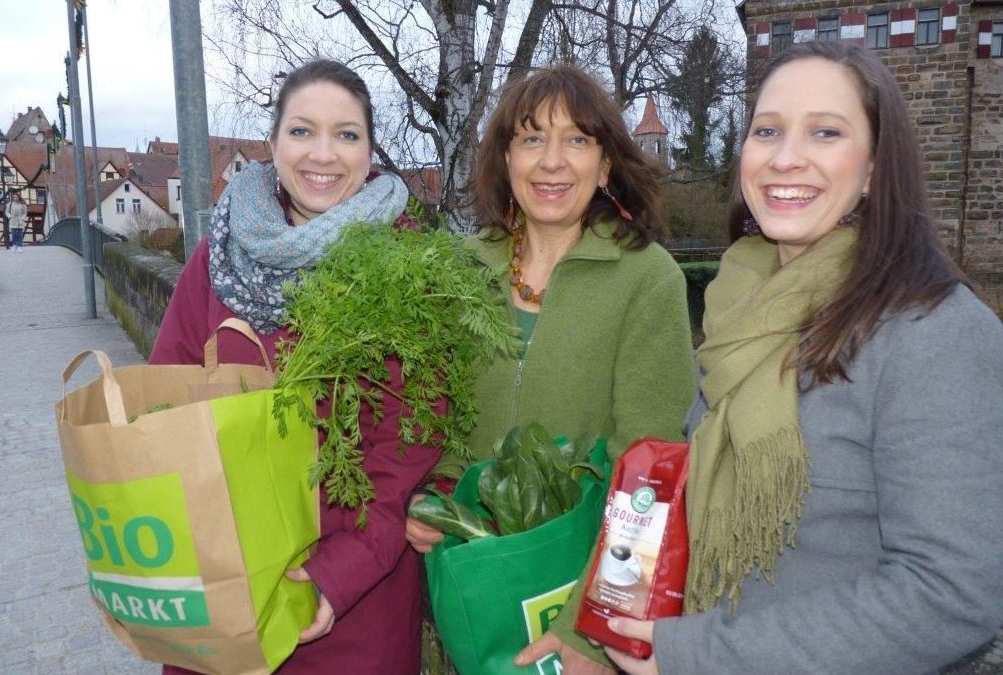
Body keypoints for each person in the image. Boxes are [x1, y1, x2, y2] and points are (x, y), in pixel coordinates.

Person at [603, 41, 1003, 675]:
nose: (786, 158)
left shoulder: (935, 332)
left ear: (874, 167)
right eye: (767, 130)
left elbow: (949, 594)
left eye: (825, 131)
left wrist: (699, 655)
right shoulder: (740, 310)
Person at [150, 59, 438, 674]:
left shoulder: (409, 271)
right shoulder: (219, 256)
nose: (323, 155)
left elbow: (407, 454)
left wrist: (335, 576)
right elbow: (165, 402)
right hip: (225, 583)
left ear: (370, 150)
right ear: (274, 141)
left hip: (348, 603)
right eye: (302, 131)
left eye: (347, 134)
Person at [406, 65, 696, 673]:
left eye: (578, 140)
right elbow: (434, 418)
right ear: (506, 159)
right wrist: (431, 497)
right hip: (469, 580)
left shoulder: (647, 278)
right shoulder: (457, 268)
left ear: (607, 164)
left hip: (577, 595)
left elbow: (651, 477)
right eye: (532, 138)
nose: (553, 161)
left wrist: (593, 634)